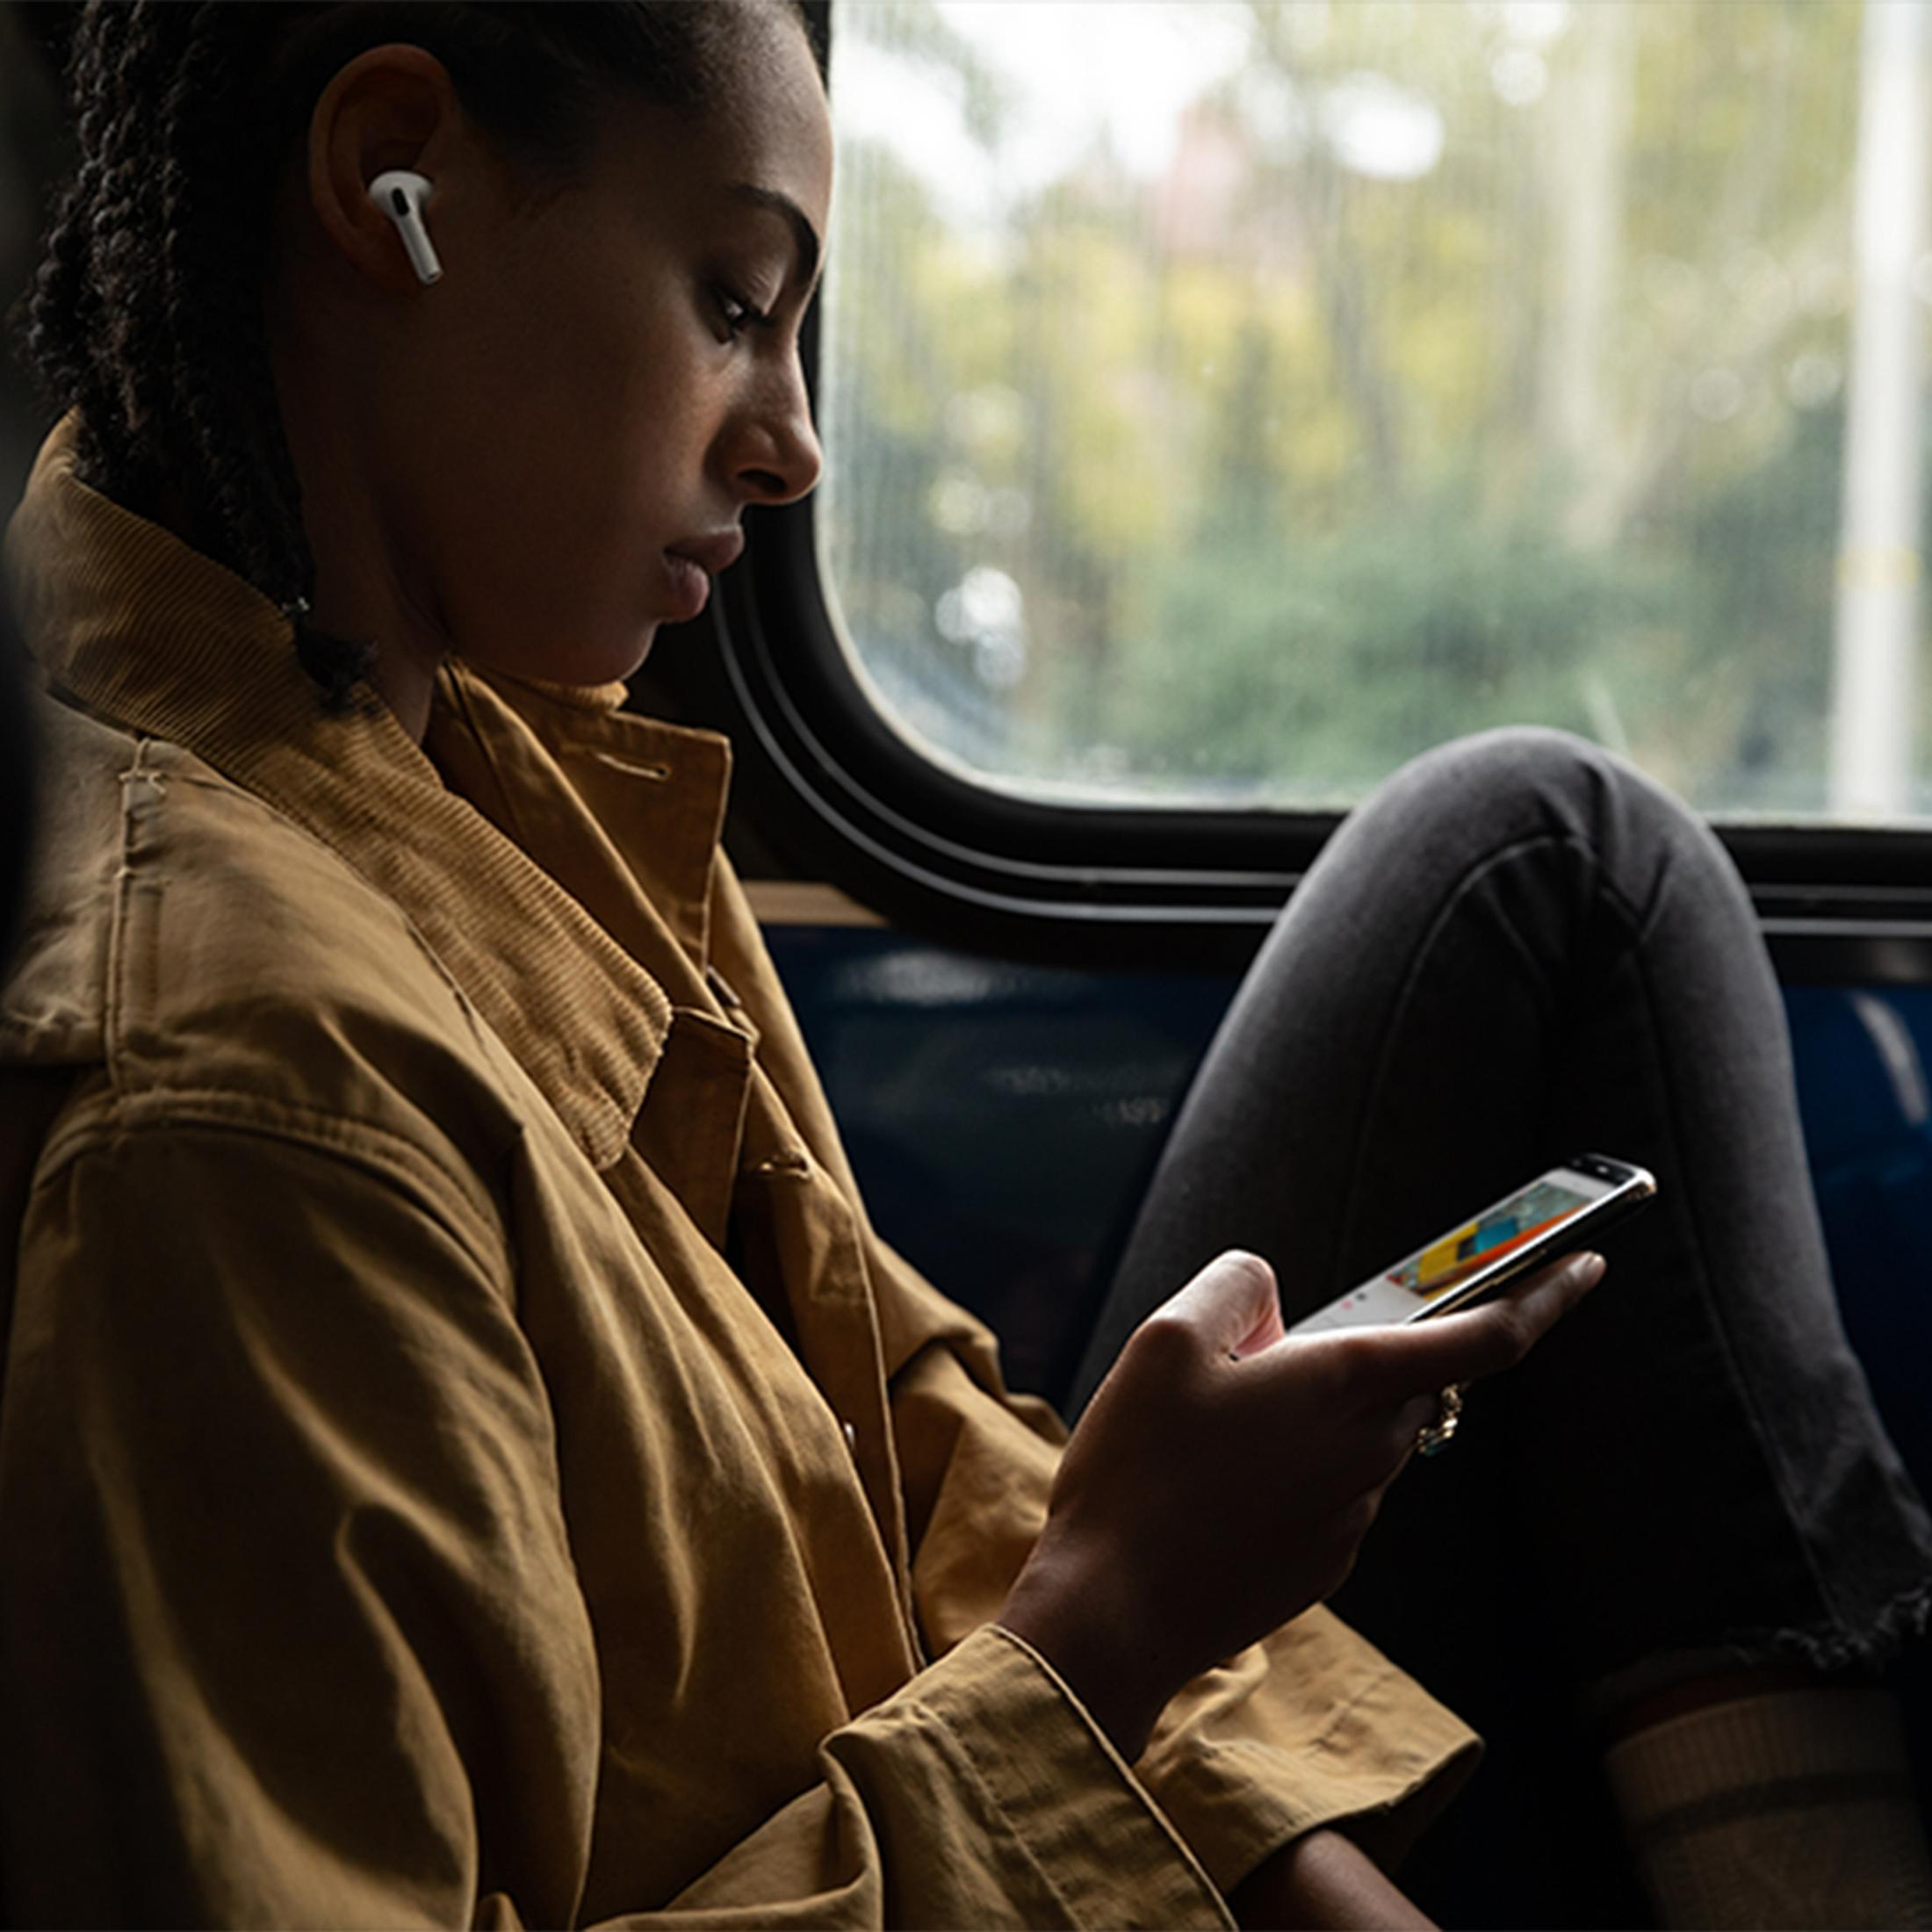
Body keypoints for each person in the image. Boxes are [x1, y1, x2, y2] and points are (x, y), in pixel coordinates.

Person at [0, 4, 1926, 1927]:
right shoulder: (235, 1107)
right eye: (731, 299)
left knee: (1545, 862)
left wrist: (1295, 1856)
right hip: (986, 1800)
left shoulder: (490, 734)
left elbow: (895, 1414)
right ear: (388, 181)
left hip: (983, 1762)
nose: (793, 439)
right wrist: (1105, 1635)